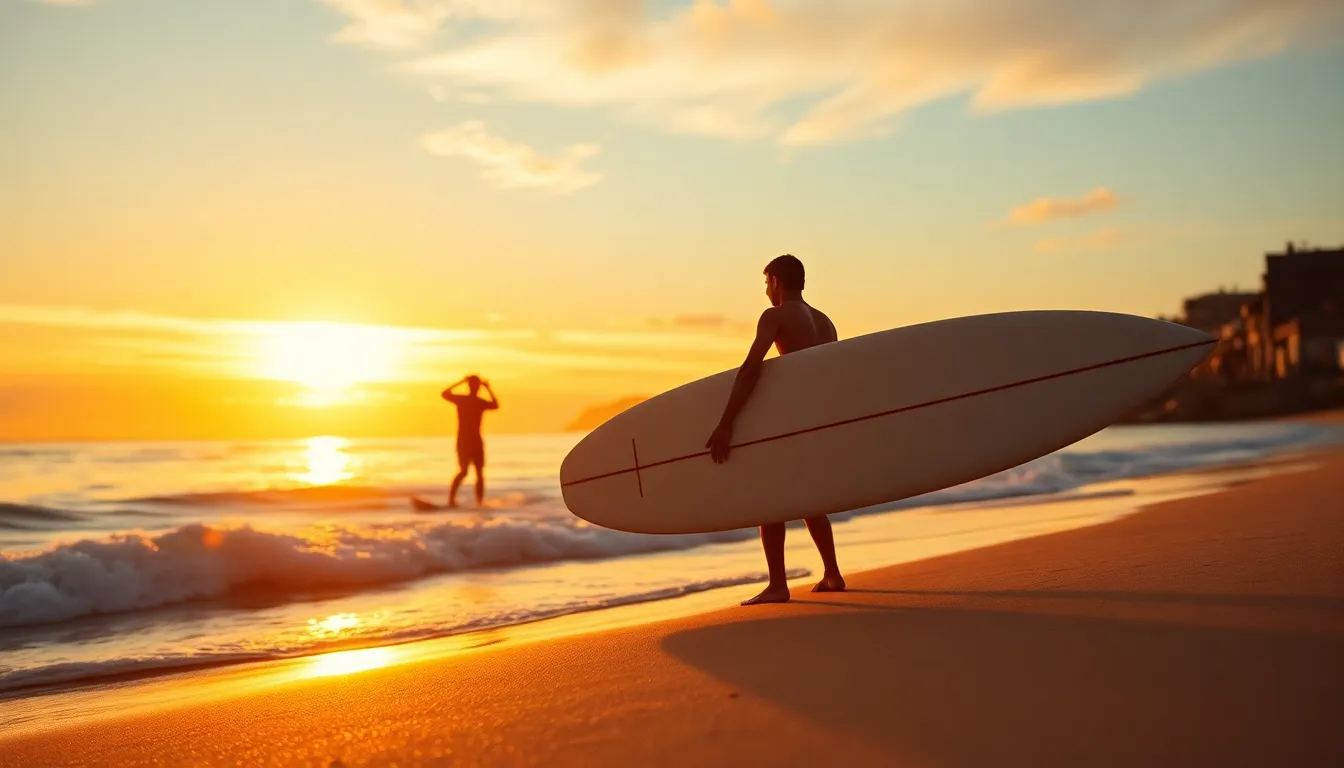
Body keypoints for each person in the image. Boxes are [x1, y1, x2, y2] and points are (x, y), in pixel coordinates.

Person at [705, 254, 846, 605]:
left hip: (790, 424)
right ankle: (832, 573)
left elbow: (752, 368)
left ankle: (778, 585)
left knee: (770, 500)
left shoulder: (775, 316)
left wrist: (726, 423)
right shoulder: (826, 322)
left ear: (777, 283)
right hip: (819, 422)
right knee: (809, 498)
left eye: (766, 284)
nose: (766, 291)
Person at [440, 375, 499, 507]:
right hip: (463, 441)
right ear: (469, 386)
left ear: (479, 387)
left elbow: (495, 405)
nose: (475, 387)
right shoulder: (461, 400)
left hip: (476, 441)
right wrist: (460, 381)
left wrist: (488, 389)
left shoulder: (479, 402)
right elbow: (444, 393)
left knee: (479, 472)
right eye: (472, 384)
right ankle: (451, 500)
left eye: (477, 385)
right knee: (464, 471)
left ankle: (479, 503)